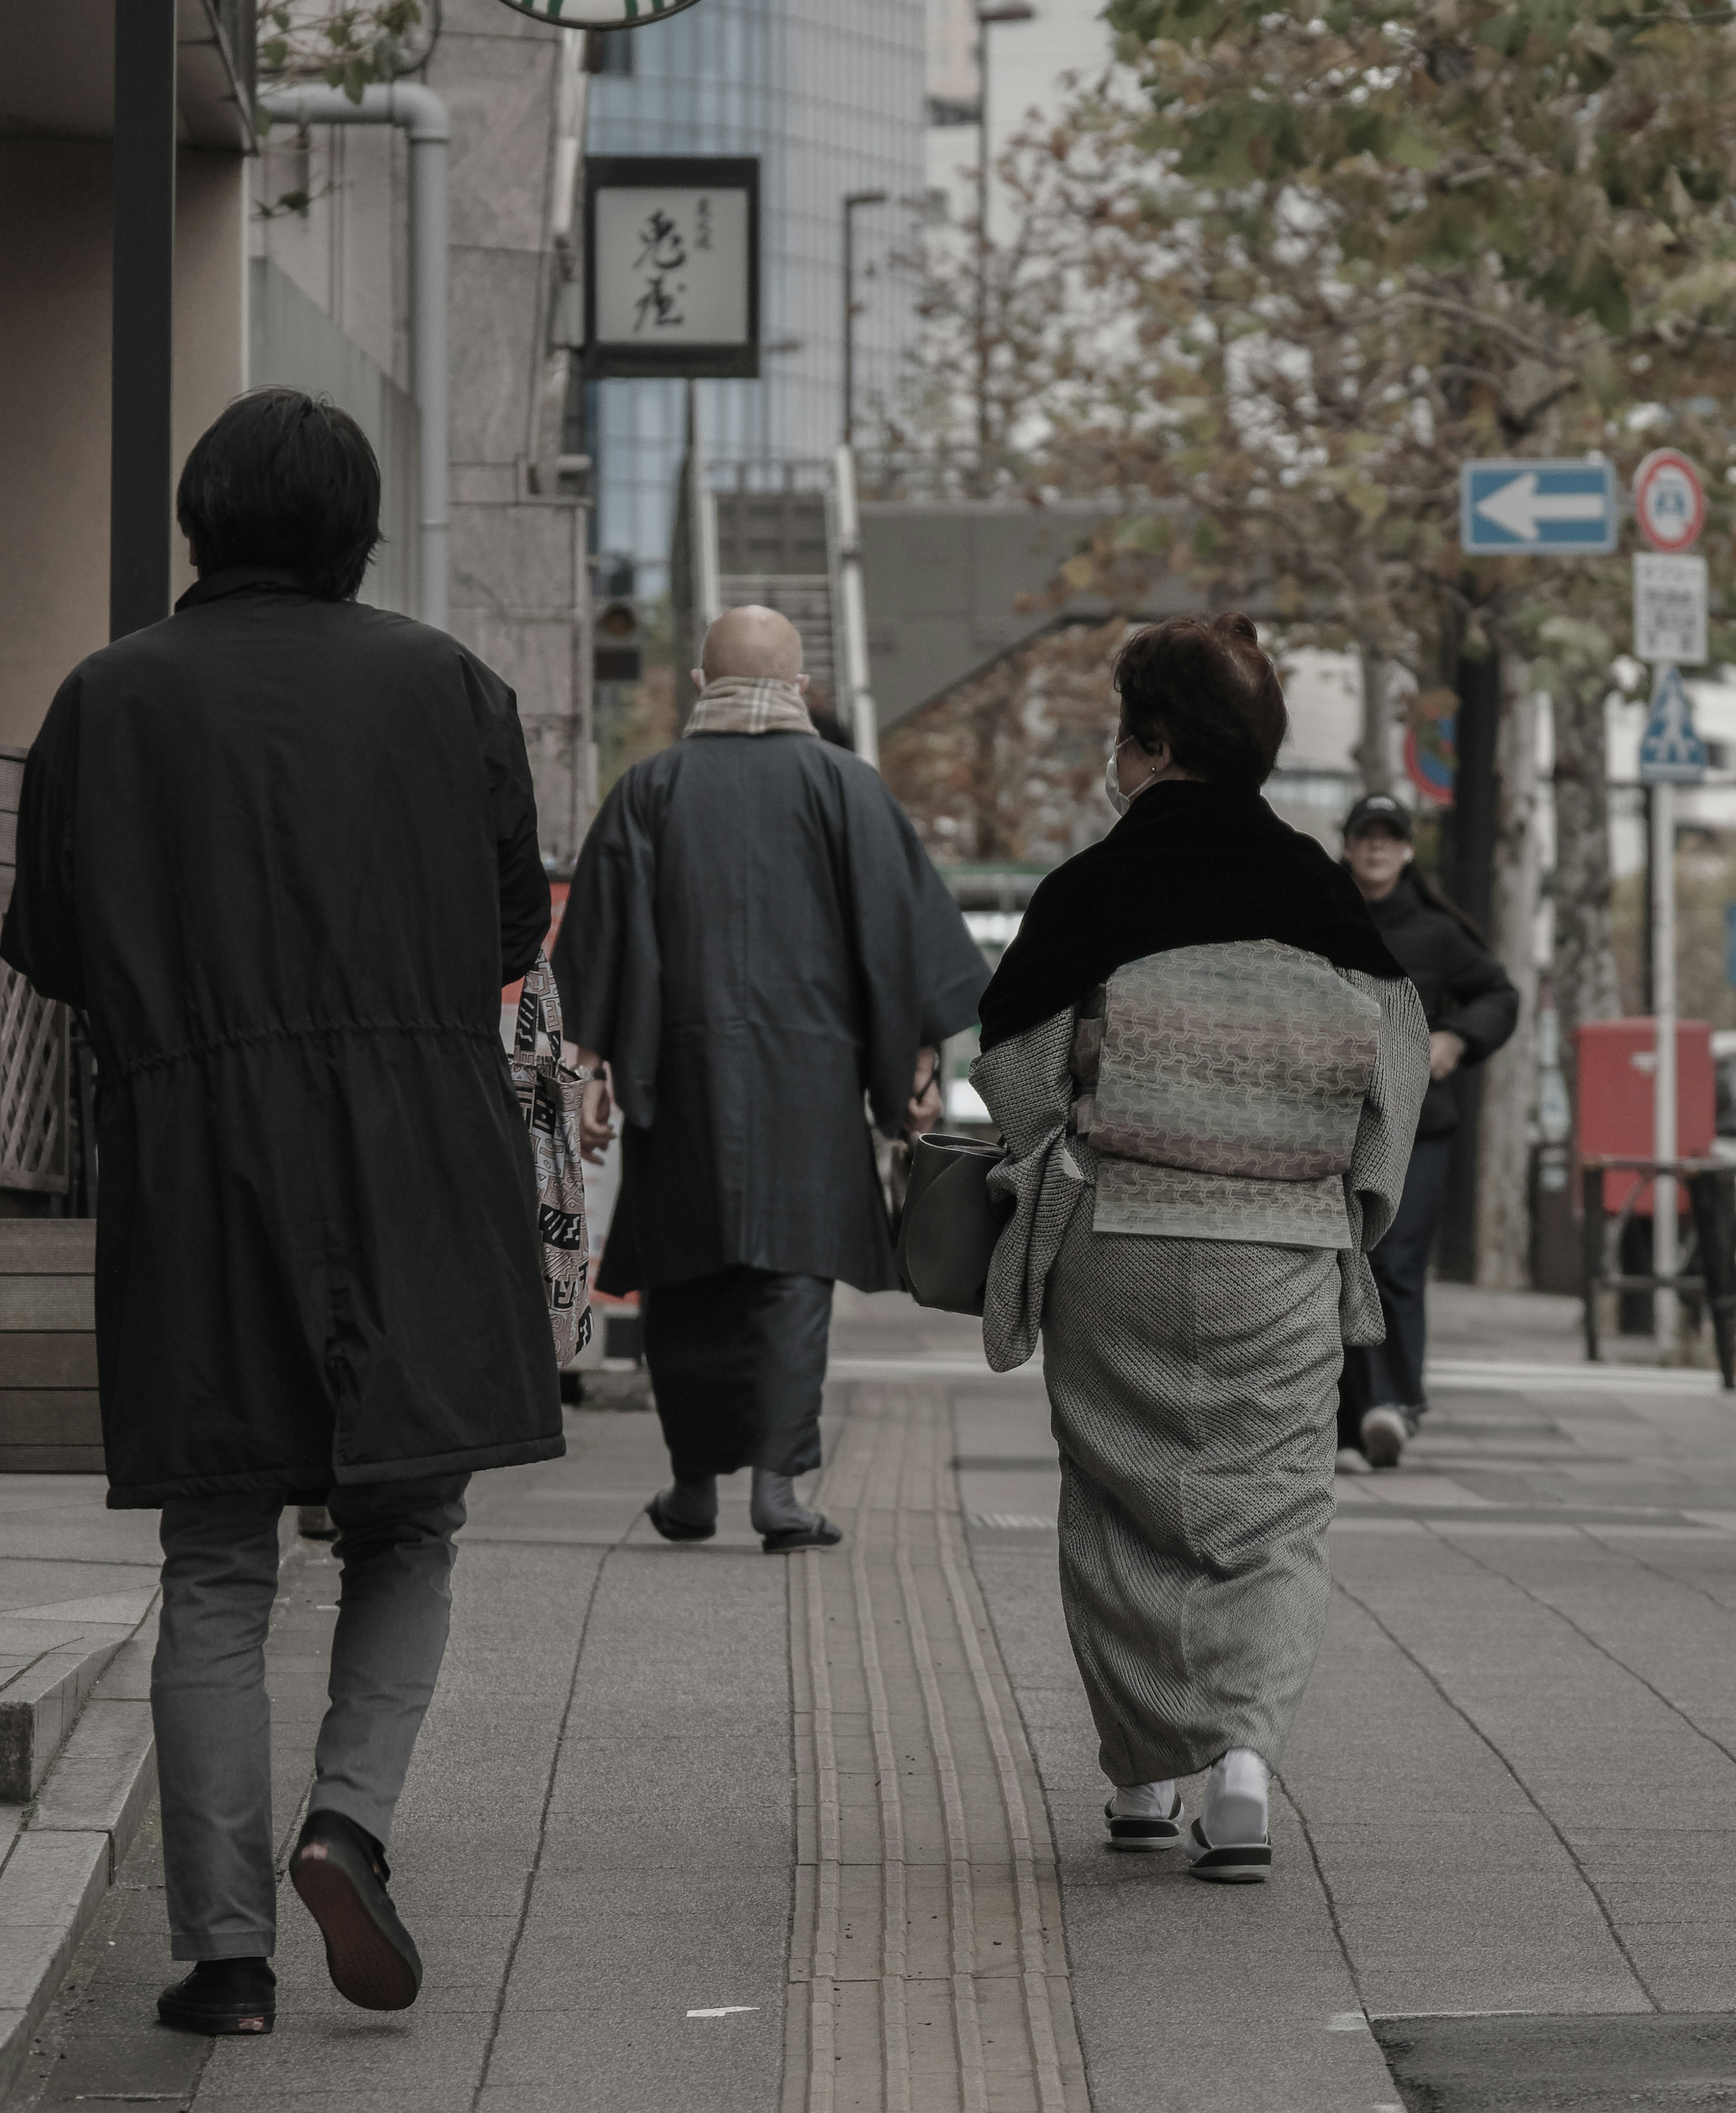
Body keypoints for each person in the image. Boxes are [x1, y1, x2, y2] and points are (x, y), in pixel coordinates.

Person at [0, 392, 562, 2038]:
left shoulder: (106, 699)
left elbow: (45, 940)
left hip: (192, 1146)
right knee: (409, 1519)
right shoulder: (449, 684)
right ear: (358, 531)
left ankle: (227, 1958)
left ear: (199, 519)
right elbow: (513, 924)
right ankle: (350, 1818)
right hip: (415, 1138)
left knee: (217, 1554)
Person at [972, 615, 1428, 1881]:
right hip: (1278, 1245)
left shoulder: (1092, 891)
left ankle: (1141, 1776)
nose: (1114, 760)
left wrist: (1063, 1146)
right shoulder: (1319, 893)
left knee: (1121, 1498)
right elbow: (1394, 1062)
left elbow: (1012, 1062)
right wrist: (1355, 1208)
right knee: (1272, 1508)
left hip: (1121, 1228)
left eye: (1123, 736)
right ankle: (1239, 1768)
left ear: (1158, 745)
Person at [556, 604, 989, 1550]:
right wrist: (913, 1062)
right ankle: (779, 1490)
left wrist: (587, 1066)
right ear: (798, 690)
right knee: (792, 1281)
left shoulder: (651, 788)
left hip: (683, 1078)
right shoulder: (848, 788)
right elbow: (903, 940)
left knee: (686, 1276)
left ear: (704, 686)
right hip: (812, 1083)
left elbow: (601, 938)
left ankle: (692, 1486)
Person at [1337, 791, 1519, 1470]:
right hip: (1334, 1125)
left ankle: (1395, 1402)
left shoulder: (1439, 933)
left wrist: (1456, 1039)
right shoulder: (1321, 916)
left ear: (1408, 850)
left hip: (1418, 1127)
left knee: (1394, 1260)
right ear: (1348, 846)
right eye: (1366, 836)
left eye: (1390, 837)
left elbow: (1501, 995)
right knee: (1340, 1262)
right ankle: (1350, 1423)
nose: (1377, 848)